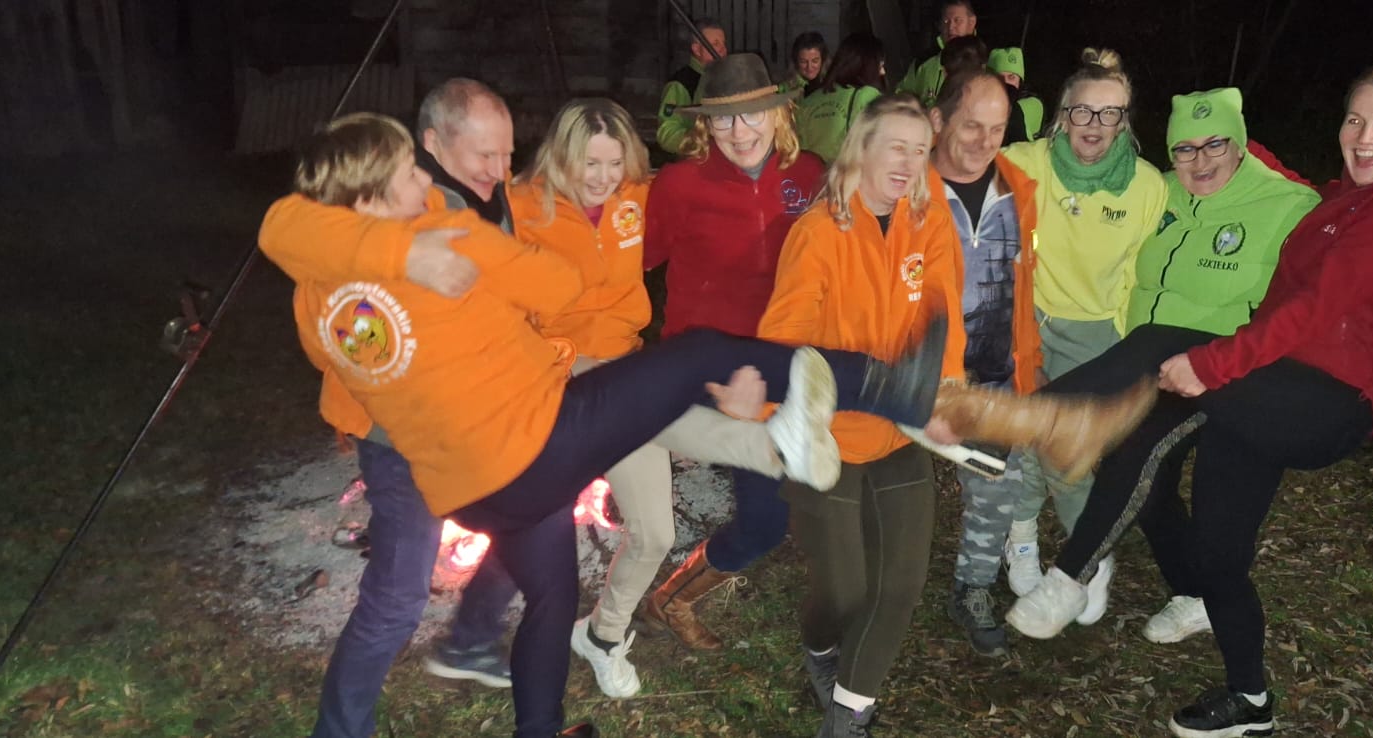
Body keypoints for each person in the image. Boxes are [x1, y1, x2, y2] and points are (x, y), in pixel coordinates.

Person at [261, 112, 977, 738]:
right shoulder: (441, 236)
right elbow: (556, 285)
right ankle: (885, 388)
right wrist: (463, 243)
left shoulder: (316, 302)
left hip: (471, 489)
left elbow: (290, 232)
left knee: (552, 597)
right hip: (533, 442)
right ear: (370, 195)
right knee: (695, 356)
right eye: (409, 175)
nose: (426, 183)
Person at [1005, 62, 1373, 738]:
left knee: (1162, 354)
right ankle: (1250, 702)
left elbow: (1315, 306)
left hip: (1327, 398)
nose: (1366, 137)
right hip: (1269, 390)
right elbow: (1268, 174)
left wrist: (1213, 364)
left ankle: (1054, 524)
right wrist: (1229, 139)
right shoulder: (1345, 196)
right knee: (1219, 552)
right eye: (1356, 120)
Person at [763, 93, 1155, 738]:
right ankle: (821, 645)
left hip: (898, 438)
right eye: (896, 147)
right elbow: (786, 342)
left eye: (919, 151)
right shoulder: (818, 232)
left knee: (898, 586)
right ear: (860, 148)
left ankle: (850, 713)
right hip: (827, 438)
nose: (908, 163)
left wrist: (945, 393)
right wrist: (826, 401)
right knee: (843, 591)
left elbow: (941, 320)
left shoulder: (926, 224)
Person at [505, 98, 829, 699]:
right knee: (630, 420)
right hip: (554, 375)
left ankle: (601, 635)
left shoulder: (638, 196)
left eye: (614, 163)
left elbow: (709, 205)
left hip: (624, 364)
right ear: (560, 156)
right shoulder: (521, 208)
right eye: (589, 163)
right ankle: (770, 446)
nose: (603, 177)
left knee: (654, 534)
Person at [302, 77, 523, 738]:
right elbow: (348, 339)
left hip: (475, 421)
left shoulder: (483, 199)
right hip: (403, 441)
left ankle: (469, 642)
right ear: (431, 144)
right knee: (398, 597)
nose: (499, 169)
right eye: (484, 155)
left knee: (530, 524)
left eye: (508, 154)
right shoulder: (374, 230)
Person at [638, 53, 828, 650]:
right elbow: (629, 262)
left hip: (790, 361)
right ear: (704, 125)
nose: (739, 132)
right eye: (723, 120)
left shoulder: (810, 174)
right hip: (712, 369)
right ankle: (671, 599)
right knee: (767, 520)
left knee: (814, 494)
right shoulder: (678, 185)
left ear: (778, 114)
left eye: (752, 115)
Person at [1119, 87, 1320, 648]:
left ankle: (1214, 597)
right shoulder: (1157, 192)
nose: (1200, 161)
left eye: (1215, 145)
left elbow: (1314, 301)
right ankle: (1194, 590)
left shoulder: (1288, 205)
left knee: (1216, 505)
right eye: (1184, 149)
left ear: (1240, 144)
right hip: (1151, 368)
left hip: (1231, 373)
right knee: (1141, 482)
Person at [999, 48, 1168, 619]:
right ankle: (1023, 537)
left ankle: (1084, 557)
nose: (1094, 124)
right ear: (1062, 114)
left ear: (1125, 120)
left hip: (1096, 333)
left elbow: (1144, 270)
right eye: (1083, 111)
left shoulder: (1147, 186)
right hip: (1028, 321)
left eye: (1109, 113)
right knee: (1024, 434)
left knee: (1066, 449)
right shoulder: (1025, 162)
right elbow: (959, 167)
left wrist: (1129, 339)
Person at [923, 69, 1043, 658]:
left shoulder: (1019, 190)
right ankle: (871, 588)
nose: (984, 141)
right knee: (888, 491)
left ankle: (972, 587)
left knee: (998, 489)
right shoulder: (903, 187)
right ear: (938, 120)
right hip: (910, 377)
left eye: (997, 129)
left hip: (994, 374)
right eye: (972, 125)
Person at [796, 33, 885, 164]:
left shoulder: (808, 101)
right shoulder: (869, 96)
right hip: (847, 173)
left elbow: (800, 150)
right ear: (867, 66)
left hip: (812, 174)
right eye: (880, 66)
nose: (883, 72)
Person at [656, 17, 726, 157]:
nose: (723, 50)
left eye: (724, 44)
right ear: (697, 49)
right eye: (715, 44)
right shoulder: (679, 85)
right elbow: (667, 132)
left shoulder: (727, 78)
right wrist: (697, 142)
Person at [897, 0, 977, 108]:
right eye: (946, 21)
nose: (951, 27)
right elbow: (901, 97)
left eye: (957, 20)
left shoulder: (987, 60)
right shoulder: (923, 62)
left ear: (971, 22)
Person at [987, 47, 1047, 144]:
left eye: (1011, 77)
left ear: (1020, 80)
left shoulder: (1033, 103)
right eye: (999, 78)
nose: (1006, 83)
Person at [788, 31, 829, 96]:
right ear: (796, 62)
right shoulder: (786, 87)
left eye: (815, 61)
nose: (809, 67)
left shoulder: (832, 86)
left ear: (823, 60)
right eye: (803, 62)